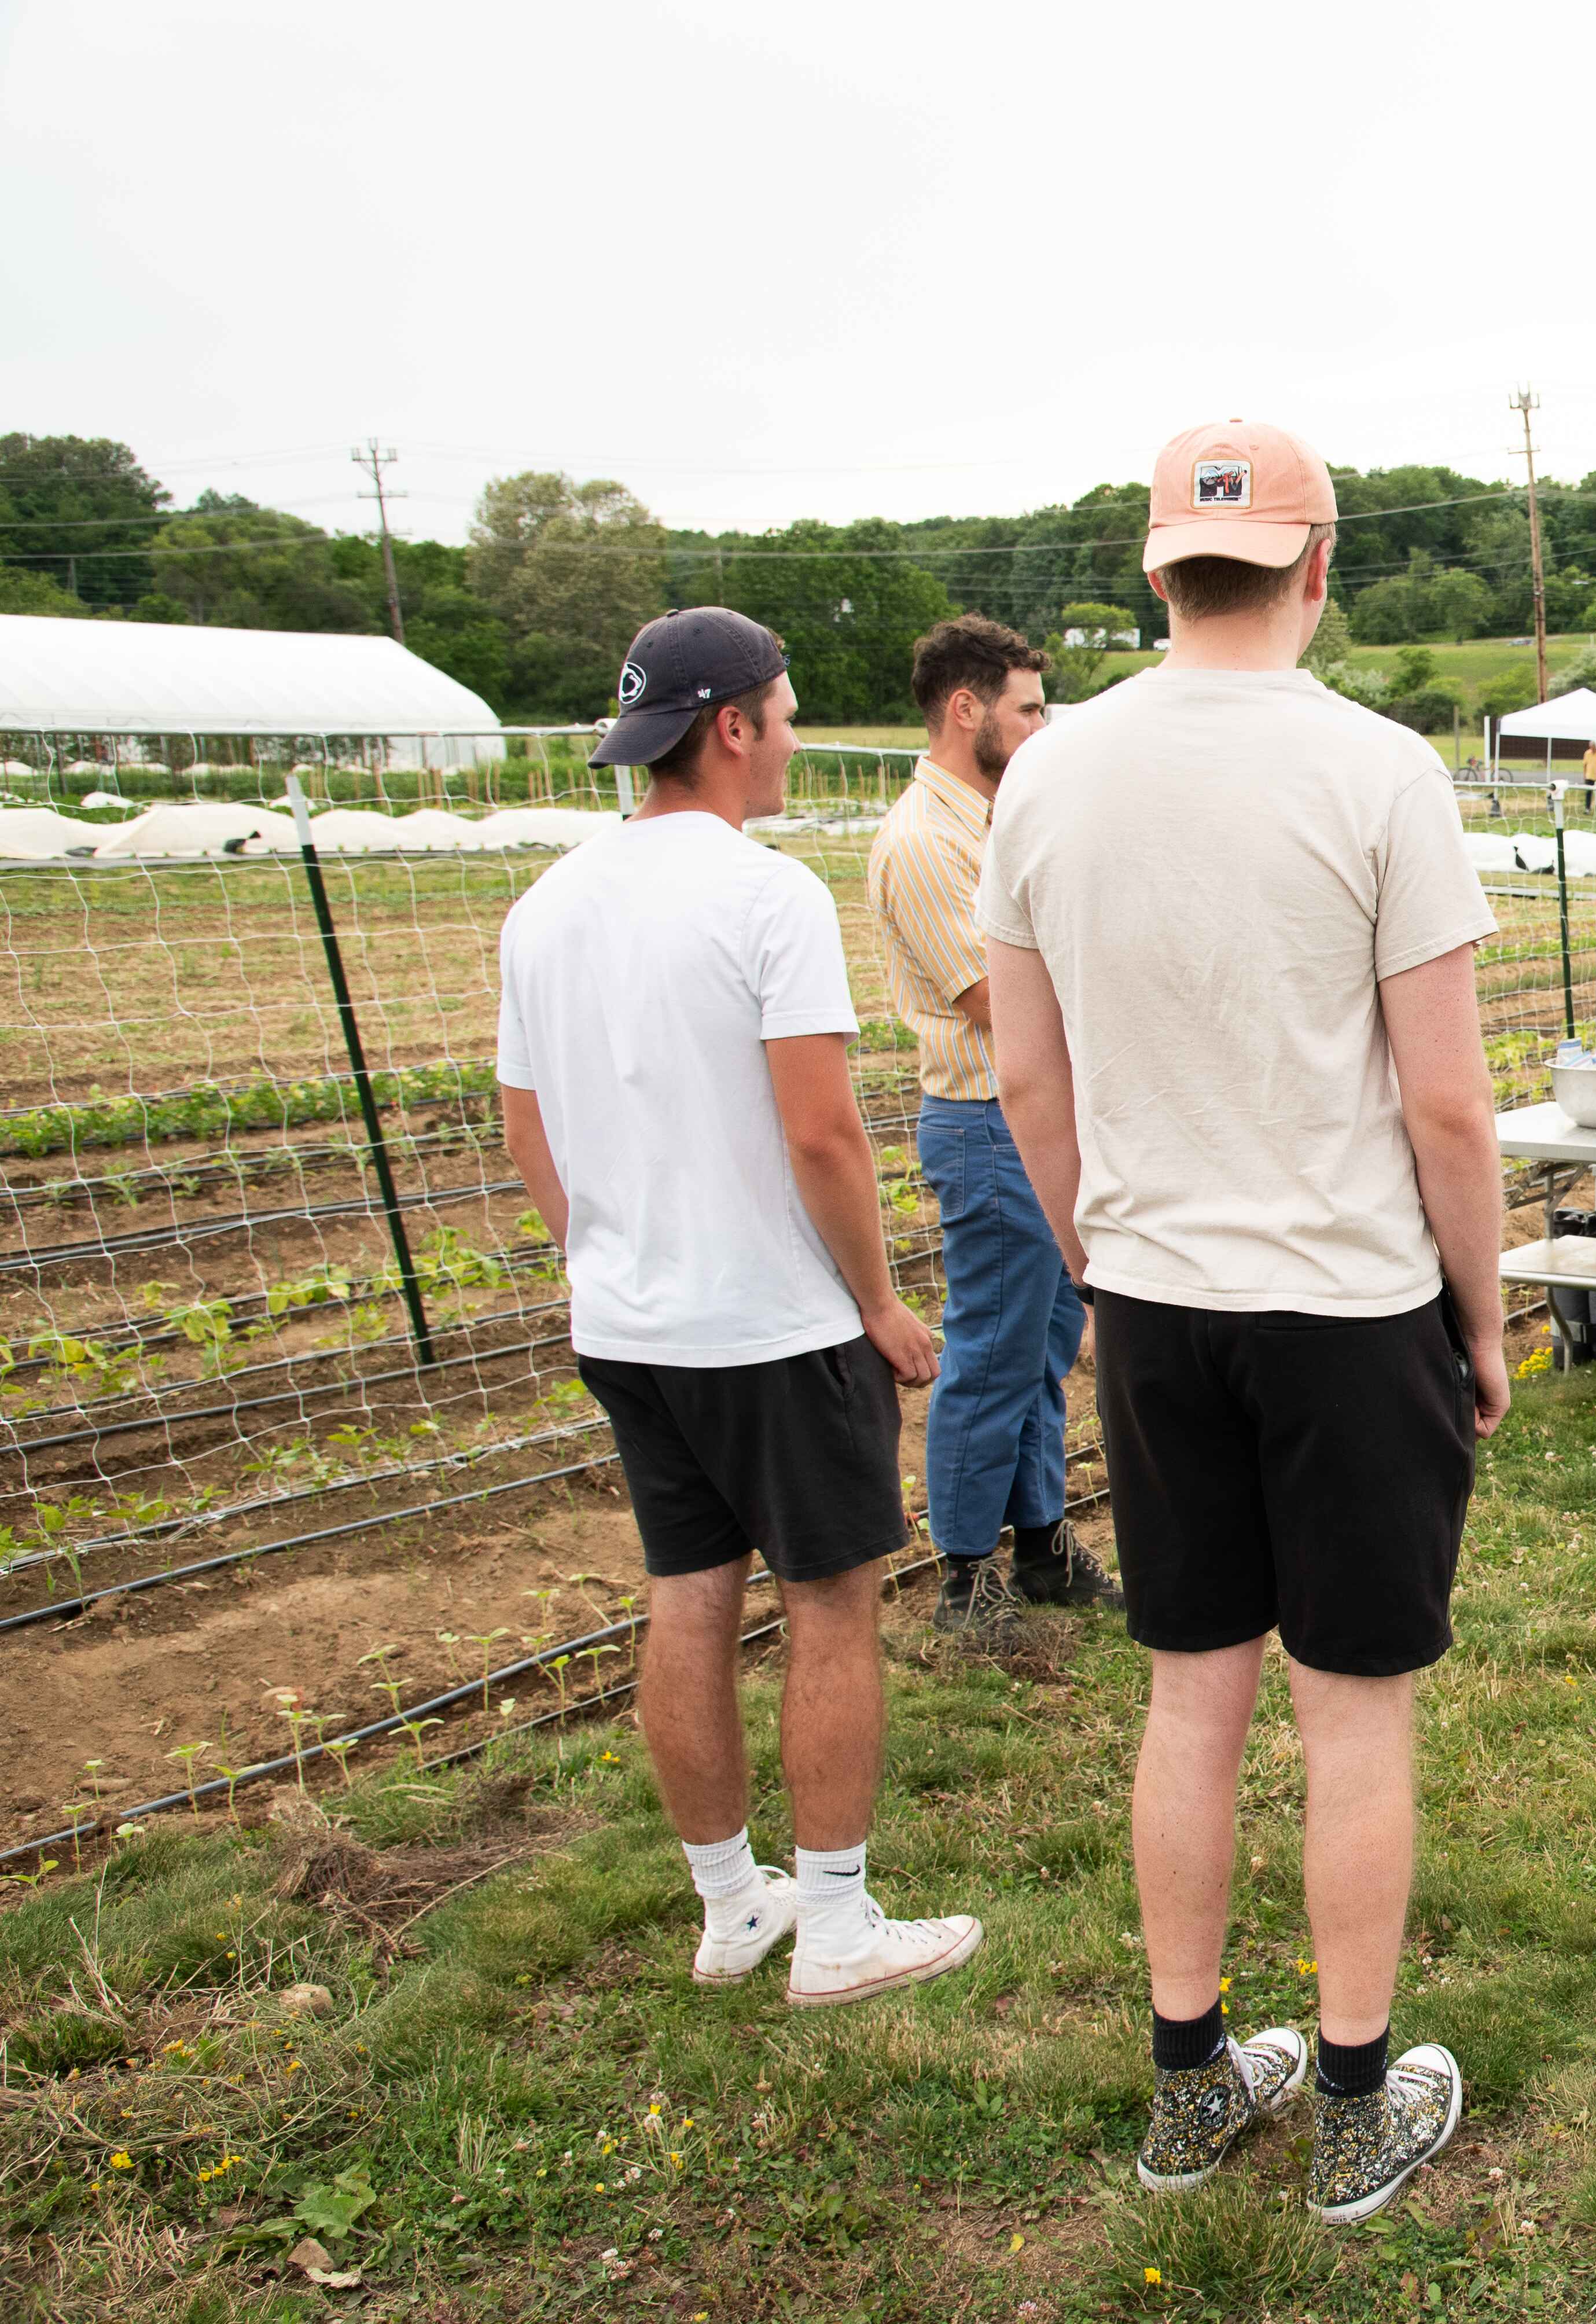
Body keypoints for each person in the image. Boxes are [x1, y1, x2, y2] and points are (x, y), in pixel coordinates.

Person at [983, 417, 1503, 2225]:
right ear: (1319, 563)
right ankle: (1356, 2102)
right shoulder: (1378, 770)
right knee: (1350, 1712)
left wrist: (1102, 1250)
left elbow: (1026, 1075)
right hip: (1349, 1302)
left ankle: (1192, 2083)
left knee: (1188, 1695)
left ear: (1155, 567)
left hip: (1154, 1301)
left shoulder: (1044, 773)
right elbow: (1446, 1103)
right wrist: (1487, 1318)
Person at [497, 606, 984, 2007]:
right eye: (777, 717)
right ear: (731, 726)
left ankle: (730, 1904)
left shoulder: (547, 904)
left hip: (629, 1323)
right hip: (770, 1324)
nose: (786, 742)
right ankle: (835, 1923)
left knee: (689, 1593)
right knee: (832, 1603)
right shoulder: (764, 896)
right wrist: (879, 1305)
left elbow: (527, 1126)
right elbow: (823, 1135)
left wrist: (601, 1252)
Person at [866, 615, 1117, 1639]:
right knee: (991, 1351)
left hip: (1037, 1119)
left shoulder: (995, 823)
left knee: (1042, 1345)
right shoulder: (924, 844)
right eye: (1027, 709)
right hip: (986, 1122)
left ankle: (1042, 1541)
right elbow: (999, 1005)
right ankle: (965, 1574)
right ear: (965, 710)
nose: (1040, 725)